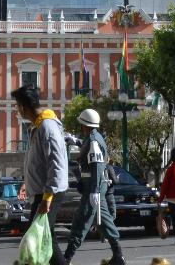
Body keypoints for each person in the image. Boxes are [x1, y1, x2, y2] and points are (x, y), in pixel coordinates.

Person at [13, 83, 69, 265]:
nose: (18, 110)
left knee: (40, 238)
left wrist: (47, 197)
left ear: (23, 107)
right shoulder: (38, 126)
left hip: (49, 193)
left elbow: (57, 163)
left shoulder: (47, 127)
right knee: (43, 238)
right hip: (42, 192)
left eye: (17, 106)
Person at [62, 108, 125, 265]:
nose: (80, 127)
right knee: (105, 221)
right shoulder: (93, 138)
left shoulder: (93, 140)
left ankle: (66, 258)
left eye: (82, 124)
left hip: (93, 187)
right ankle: (118, 256)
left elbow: (96, 165)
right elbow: (89, 149)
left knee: (81, 220)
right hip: (95, 186)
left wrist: (95, 190)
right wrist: (75, 141)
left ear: (86, 124)